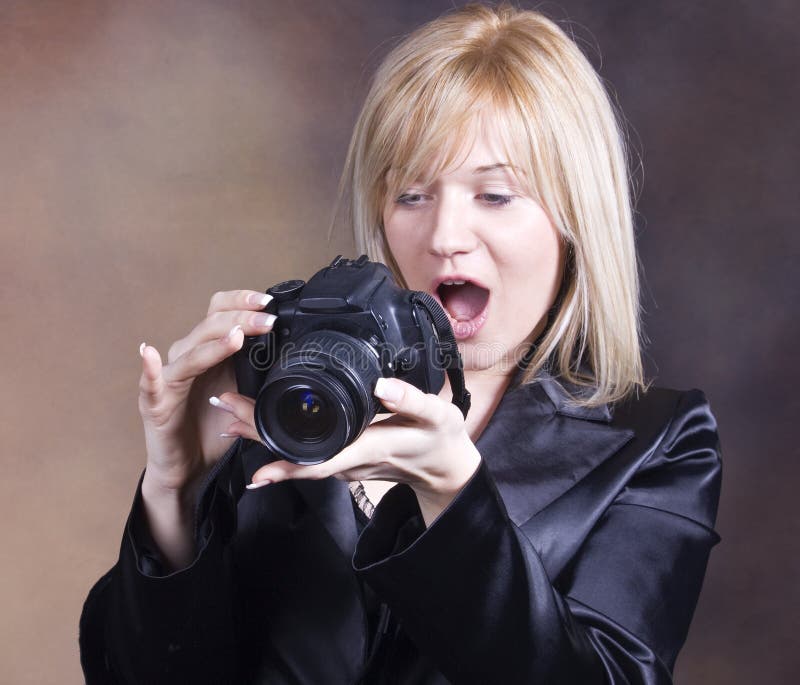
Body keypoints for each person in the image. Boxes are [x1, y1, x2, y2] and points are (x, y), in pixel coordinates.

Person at [79, 4, 722, 684]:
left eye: (495, 195)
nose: (445, 235)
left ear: (574, 219)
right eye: (411, 194)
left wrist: (453, 500)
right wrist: (174, 490)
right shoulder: (288, 403)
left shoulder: (659, 442)